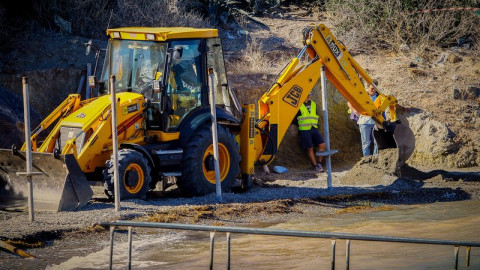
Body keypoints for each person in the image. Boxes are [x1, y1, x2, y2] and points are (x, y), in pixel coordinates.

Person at [347, 80, 380, 156]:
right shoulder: (362, 94)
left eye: (375, 88)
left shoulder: (378, 95)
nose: (374, 90)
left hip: (376, 122)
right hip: (364, 122)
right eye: (372, 88)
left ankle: (376, 159)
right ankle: (367, 161)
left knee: (376, 142)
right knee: (366, 143)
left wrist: (403, 108)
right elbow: (349, 102)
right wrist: (355, 111)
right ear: (368, 87)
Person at [296, 93, 326, 172]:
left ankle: (319, 163)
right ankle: (315, 166)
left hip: (314, 128)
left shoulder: (313, 104)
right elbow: (295, 119)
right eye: (307, 95)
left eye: (309, 95)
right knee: (310, 148)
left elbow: (315, 115)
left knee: (322, 144)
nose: (308, 96)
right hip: (304, 129)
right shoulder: (298, 105)